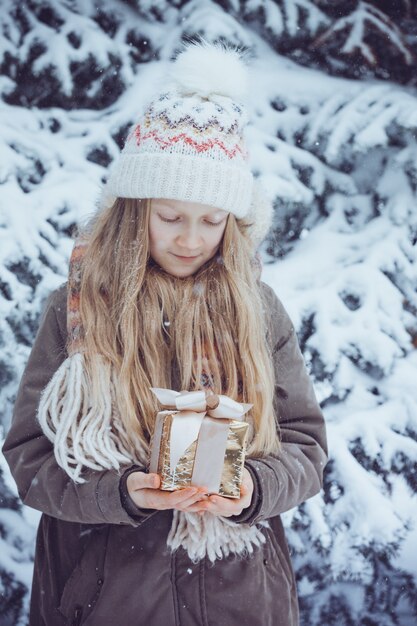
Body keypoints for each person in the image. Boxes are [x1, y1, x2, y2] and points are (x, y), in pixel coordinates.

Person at [3, 41, 328, 626]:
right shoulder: (80, 310)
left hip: (239, 592)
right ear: (135, 209)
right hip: (106, 595)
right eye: (170, 216)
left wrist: (252, 490)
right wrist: (123, 493)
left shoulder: (257, 310)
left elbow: (304, 445)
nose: (191, 239)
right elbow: (31, 458)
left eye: (211, 220)